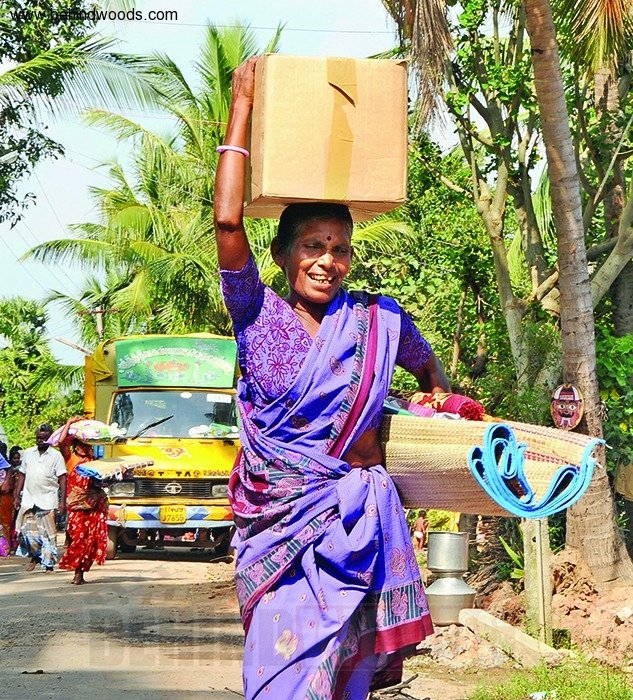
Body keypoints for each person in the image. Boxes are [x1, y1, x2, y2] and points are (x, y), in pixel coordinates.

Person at [214, 58, 451, 700]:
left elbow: (428, 368)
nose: (327, 261)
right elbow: (229, 223)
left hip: (352, 533)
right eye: (312, 245)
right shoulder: (256, 315)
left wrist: (436, 394)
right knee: (276, 677)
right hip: (279, 531)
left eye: (339, 247)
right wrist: (242, 105)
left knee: (344, 682)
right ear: (284, 253)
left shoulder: (376, 319)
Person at [57, 416, 108, 584]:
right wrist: (69, 423)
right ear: (76, 446)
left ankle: (81, 573)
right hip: (77, 507)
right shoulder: (72, 460)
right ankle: (76, 572)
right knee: (78, 539)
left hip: (93, 507)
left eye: (88, 445)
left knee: (91, 541)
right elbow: (61, 443)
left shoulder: (95, 463)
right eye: (82, 444)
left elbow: (101, 482)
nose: (86, 448)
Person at [14, 424, 67, 572]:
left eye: (43, 438)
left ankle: (49, 563)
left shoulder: (56, 456)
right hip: (29, 499)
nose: (40, 441)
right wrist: (17, 496)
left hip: (48, 499)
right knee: (27, 533)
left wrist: (62, 502)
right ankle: (35, 556)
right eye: (38, 438)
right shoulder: (28, 453)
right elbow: (22, 475)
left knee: (48, 534)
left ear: (49, 438)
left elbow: (62, 478)